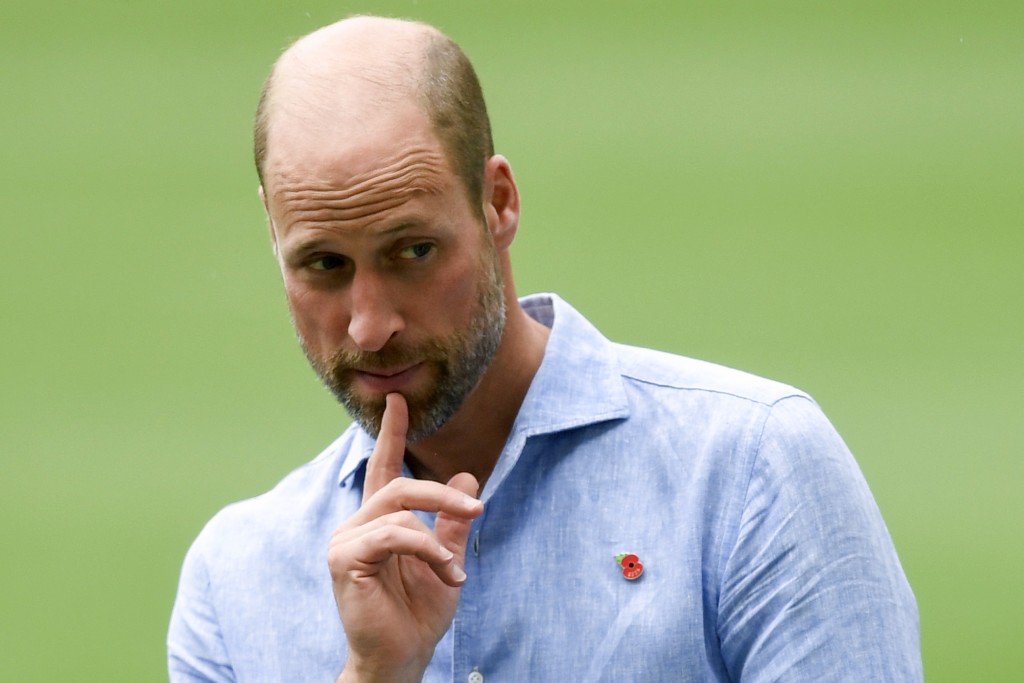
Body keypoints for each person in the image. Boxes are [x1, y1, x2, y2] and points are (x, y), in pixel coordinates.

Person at [168, 15, 922, 682]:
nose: (370, 325)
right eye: (324, 265)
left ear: (498, 203)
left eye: (413, 251)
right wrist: (375, 675)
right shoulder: (233, 582)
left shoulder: (752, 470)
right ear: (273, 235)